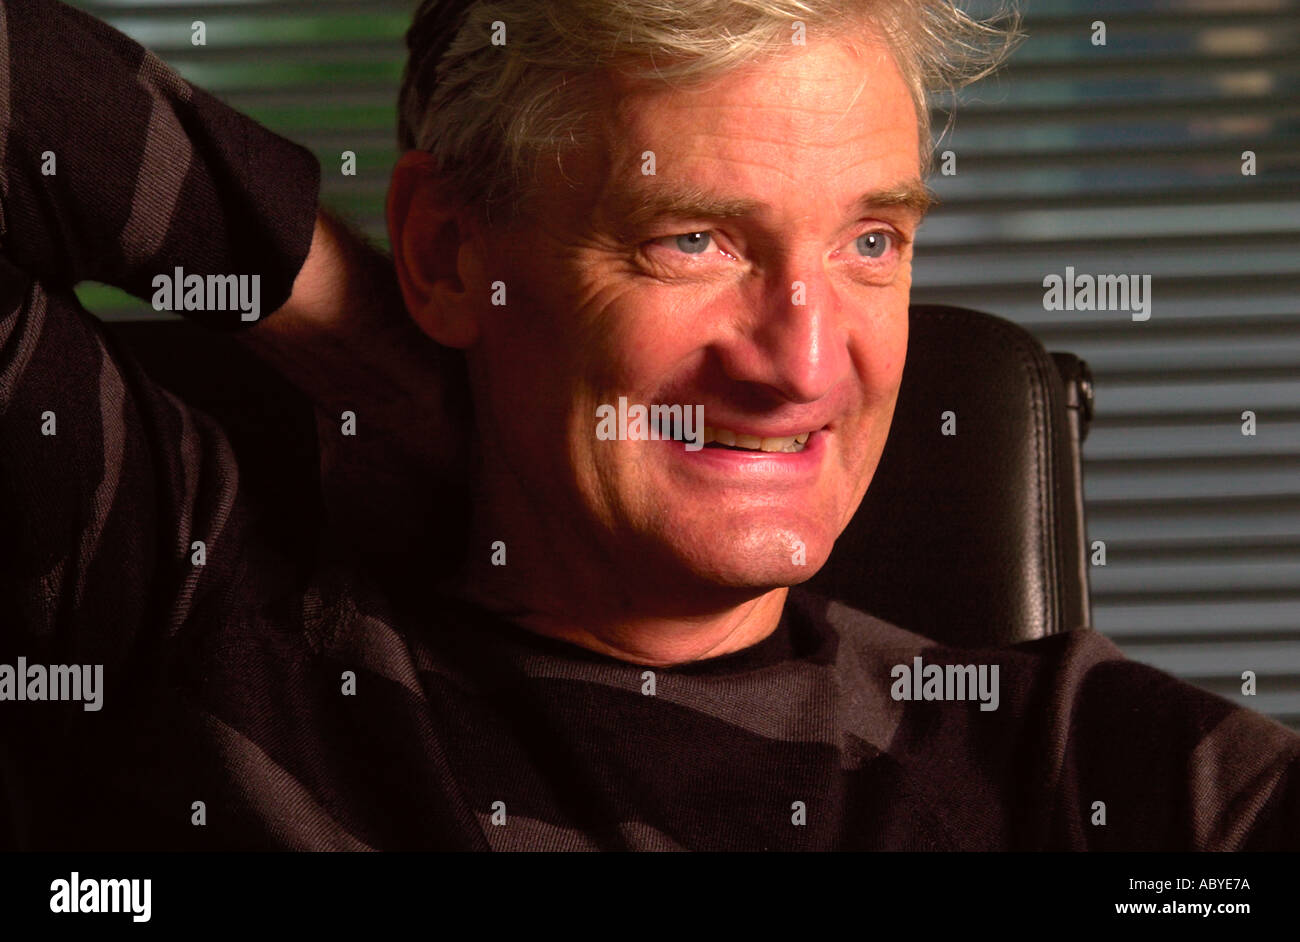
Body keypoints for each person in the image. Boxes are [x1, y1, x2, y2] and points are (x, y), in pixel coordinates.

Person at [1, 0, 1296, 851]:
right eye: (694, 237)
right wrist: (365, 336)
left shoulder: (1098, 782)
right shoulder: (175, 596)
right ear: (450, 251)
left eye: (870, 240)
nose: (803, 361)